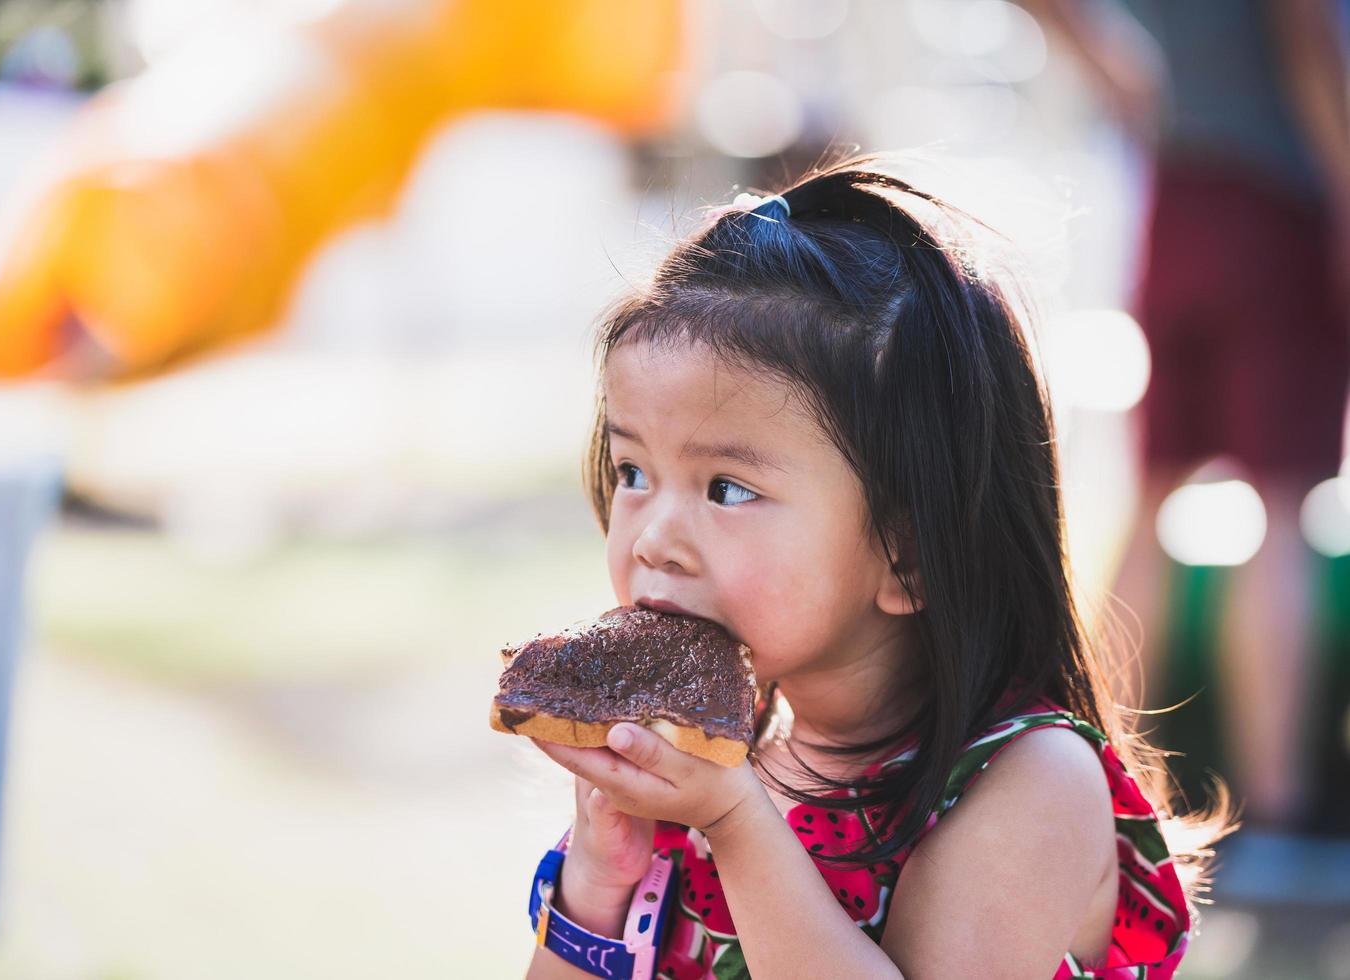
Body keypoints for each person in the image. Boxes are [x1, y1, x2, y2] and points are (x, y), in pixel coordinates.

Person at [516, 157, 1231, 979]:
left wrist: (738, 827)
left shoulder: (1029, 782)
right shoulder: (722, 753)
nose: (651, 538)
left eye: (726, 488)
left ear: (909, 555)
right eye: (633, 471)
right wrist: (597, 888)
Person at [1024, 0, 1350, 832]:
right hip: (1282, 201)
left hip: (1179, 199)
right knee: (1279, 511)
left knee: (1152, 498)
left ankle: (1083, 781)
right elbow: (1308, 29)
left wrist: (1121, 76)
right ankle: (1276, 811)